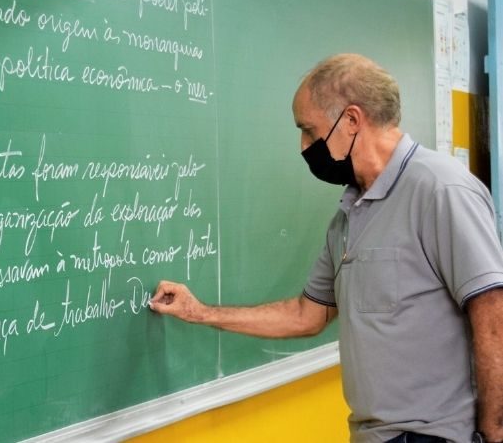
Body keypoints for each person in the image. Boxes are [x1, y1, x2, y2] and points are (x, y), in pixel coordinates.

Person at [151, 54, 503, 443]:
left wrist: (494, 433)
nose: (304, 145)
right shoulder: (349, 214)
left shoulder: (441, 189)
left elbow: (494, 317)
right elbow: (307, 314)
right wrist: (199, 312)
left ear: (351, 121)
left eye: (308, 130)